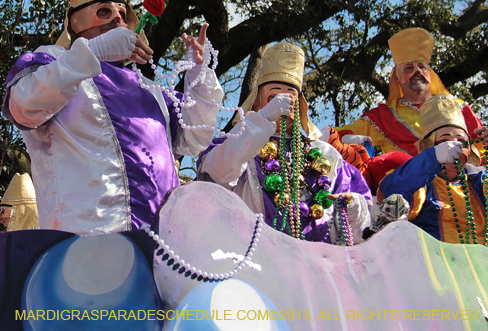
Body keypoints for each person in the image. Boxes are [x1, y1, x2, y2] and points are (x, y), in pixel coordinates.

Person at [3, 0, 224, 234]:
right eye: (104, 11)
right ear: (75, 22)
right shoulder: (53, 61)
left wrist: (198, 74)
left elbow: (194, 139)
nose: (117, 19)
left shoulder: (150, 88)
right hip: (84, 247)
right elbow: (22, 106)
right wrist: (91, 53)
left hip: (160, 249)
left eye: (123, 13)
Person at [199, 42, 372, 244]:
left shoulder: (326, 155)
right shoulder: (238, 144)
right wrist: (263, 118)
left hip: (317, 264)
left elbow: (361, 229)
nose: (283, 102)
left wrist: (353, 209)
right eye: (273, 96)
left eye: (290, 96)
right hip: (254, 260)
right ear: (256, 101)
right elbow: (218, 173)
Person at [336, 28, 483, 190]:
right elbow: (336, 135)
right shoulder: (382, 117)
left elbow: (481, 149)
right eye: (409, 68)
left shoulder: (458, 108)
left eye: (422, 66)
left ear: (430, 73)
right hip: (409, 195)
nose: (417, 72)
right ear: (396, 78)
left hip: (462, 191)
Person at [379, 94, 488, 244]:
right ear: (430, 146)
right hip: (433, 264)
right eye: (444, 141)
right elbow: (392, 189)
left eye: (461, 142)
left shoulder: (480, 182)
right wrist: (433, 157)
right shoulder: (419, 183)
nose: (454, 146)